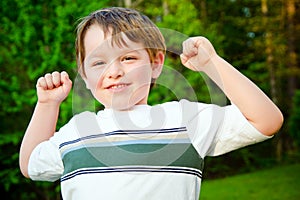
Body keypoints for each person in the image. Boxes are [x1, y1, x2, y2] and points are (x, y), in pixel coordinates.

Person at [19, 7, 283, 200]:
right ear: (85, 77)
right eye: (99, 62)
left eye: (128, 58)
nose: (114, 71)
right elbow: (30, 164)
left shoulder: (185, 120)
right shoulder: (76, 131)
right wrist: (47, 104)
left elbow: (266, 120)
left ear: (156, 64)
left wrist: (210, 63)